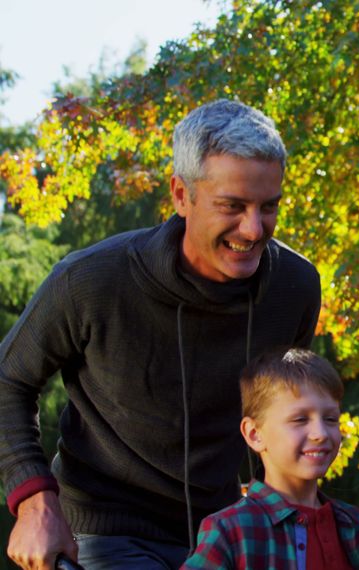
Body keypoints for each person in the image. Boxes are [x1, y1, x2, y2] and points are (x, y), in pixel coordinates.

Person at [0, 99, 322, 570]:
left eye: (268, 206)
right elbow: (8, 379)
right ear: (180, 195)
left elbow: (276, 419)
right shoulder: (91, 280)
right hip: (104, 529)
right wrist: (34, 499)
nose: (254, 230)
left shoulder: (295, 287)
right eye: (232, 206)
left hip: (226, 531)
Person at [182, 348, 359, 569]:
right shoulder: (230, 531)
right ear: (254, 434)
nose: (321, 433)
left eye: (331, 419)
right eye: (300, 419)